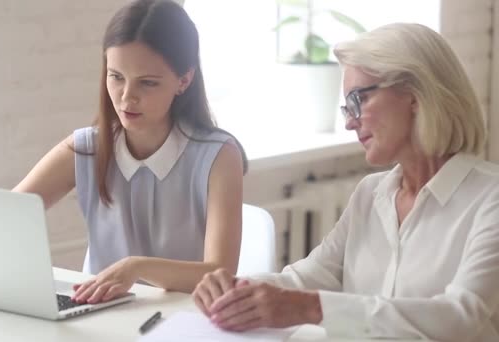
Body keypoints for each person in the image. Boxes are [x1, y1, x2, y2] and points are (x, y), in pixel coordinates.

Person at [192, 23, 499, 341]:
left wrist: (313, 308)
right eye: (346, 108)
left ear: (414, 93)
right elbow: (307, 277)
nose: (350, 122)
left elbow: (462, 316)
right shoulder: (371, 194)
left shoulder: (490, 198)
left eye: (358, 100)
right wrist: (237, 290)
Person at [14, 0, 247, 305]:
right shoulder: (85, 149)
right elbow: (5, 214)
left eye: (147, 83)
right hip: (96, 316)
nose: (126, 97)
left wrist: (136, 267)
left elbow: (220, 273)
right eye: (116, 76)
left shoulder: (218, 156)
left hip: (181, 321)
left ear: (184, 80)